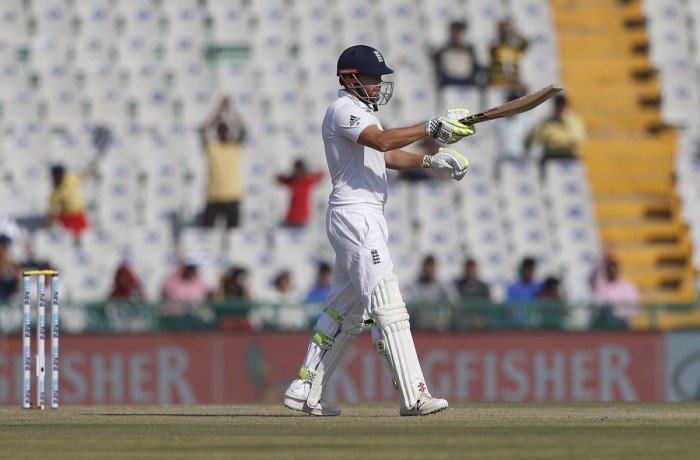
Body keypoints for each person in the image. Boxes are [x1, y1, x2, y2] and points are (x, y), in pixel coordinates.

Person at [283, 44, 476, 417]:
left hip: (363, 215)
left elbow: (384, 156)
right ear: (350, 78)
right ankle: (414, 396)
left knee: (346, 312)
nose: (378, 85)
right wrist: (431, 126)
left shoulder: (362, 113)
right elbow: (382, 142)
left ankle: (304, 388)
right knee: (388, 305)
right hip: (355, 216)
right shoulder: (343, 109)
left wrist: (429, 160)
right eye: (373, 78)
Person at [48, 126, 112, 243]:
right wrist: (52, 224)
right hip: (68, 216)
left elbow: (83, 176)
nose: (61, 176)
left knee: (83, 235)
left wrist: (93, 168)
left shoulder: (70, 178)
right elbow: (52, 210)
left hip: (79, 212)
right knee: (71, 237)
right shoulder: (56, 192)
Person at [199, 96, 246, 228]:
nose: (223, 133)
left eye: (225, 130)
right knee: (206, 233)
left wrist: (232, 110)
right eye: (221, 130)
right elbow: (203, 131)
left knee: (234, 236)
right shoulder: (213, 147)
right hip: (214, 196)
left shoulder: (234, 147)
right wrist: (218, 111)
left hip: (232, 196)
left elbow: (243, 130)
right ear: (217, 132)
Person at [525, 94, 586, 174]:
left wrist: (564, 124)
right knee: (540, 167)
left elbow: (577, 139)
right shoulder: (548, 119)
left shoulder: (573, 119)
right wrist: (545, 126)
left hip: (568, 154)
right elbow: (539, 138)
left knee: (579, 167)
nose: (559, 107)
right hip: (550, 154)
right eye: (557, 105)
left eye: (561, 105)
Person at [403, 255, 456, 331]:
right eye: (427, 266)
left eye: (431, 266)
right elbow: (411, 304)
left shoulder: (443, 285)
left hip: (440, 325)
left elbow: (454, 302)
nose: (429, 269)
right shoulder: (415, 285)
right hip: (421, 325)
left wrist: (446, 320)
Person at [591, 254, 640, 325]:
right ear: (605, 270)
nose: (612, 272)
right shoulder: (600, 285)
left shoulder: (627, 286)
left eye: (614, 269)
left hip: (620, 320)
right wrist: (603, 258)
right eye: (609, 269)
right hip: (601, 320)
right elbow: (595, 274)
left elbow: (632, 304)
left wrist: (616, 310)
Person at [276, 159, 324, 227]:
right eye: (296, 170)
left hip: (303, 219)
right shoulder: (291, 181)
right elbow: (278, 179)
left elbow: (322, 174)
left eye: (300, 170)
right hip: (290, 218)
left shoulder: (307, 180)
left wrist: (308, 174)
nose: (298, 172)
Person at [433, 21, 480, 89]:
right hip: (449, 80)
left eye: (458, 32)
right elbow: (435, 62)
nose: (456, 35)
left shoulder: (469, 49)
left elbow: (475, 66)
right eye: (454, 32)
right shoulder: (444, 49)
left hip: (467, 81)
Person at [489, 20, 529, 88]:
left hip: (513, 79)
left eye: (507, 30)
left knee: (524, 88)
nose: (505, 32)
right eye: (502, 30)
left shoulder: (515, 48)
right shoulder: (495, 47)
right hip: (498, 79)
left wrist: (516, 33)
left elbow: (526, 43)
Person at [0, 235, 21, 301]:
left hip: (6, 301)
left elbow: (14, 286)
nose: (5, 250)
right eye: (3, 247)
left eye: (6, 247)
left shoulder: (11, 264)